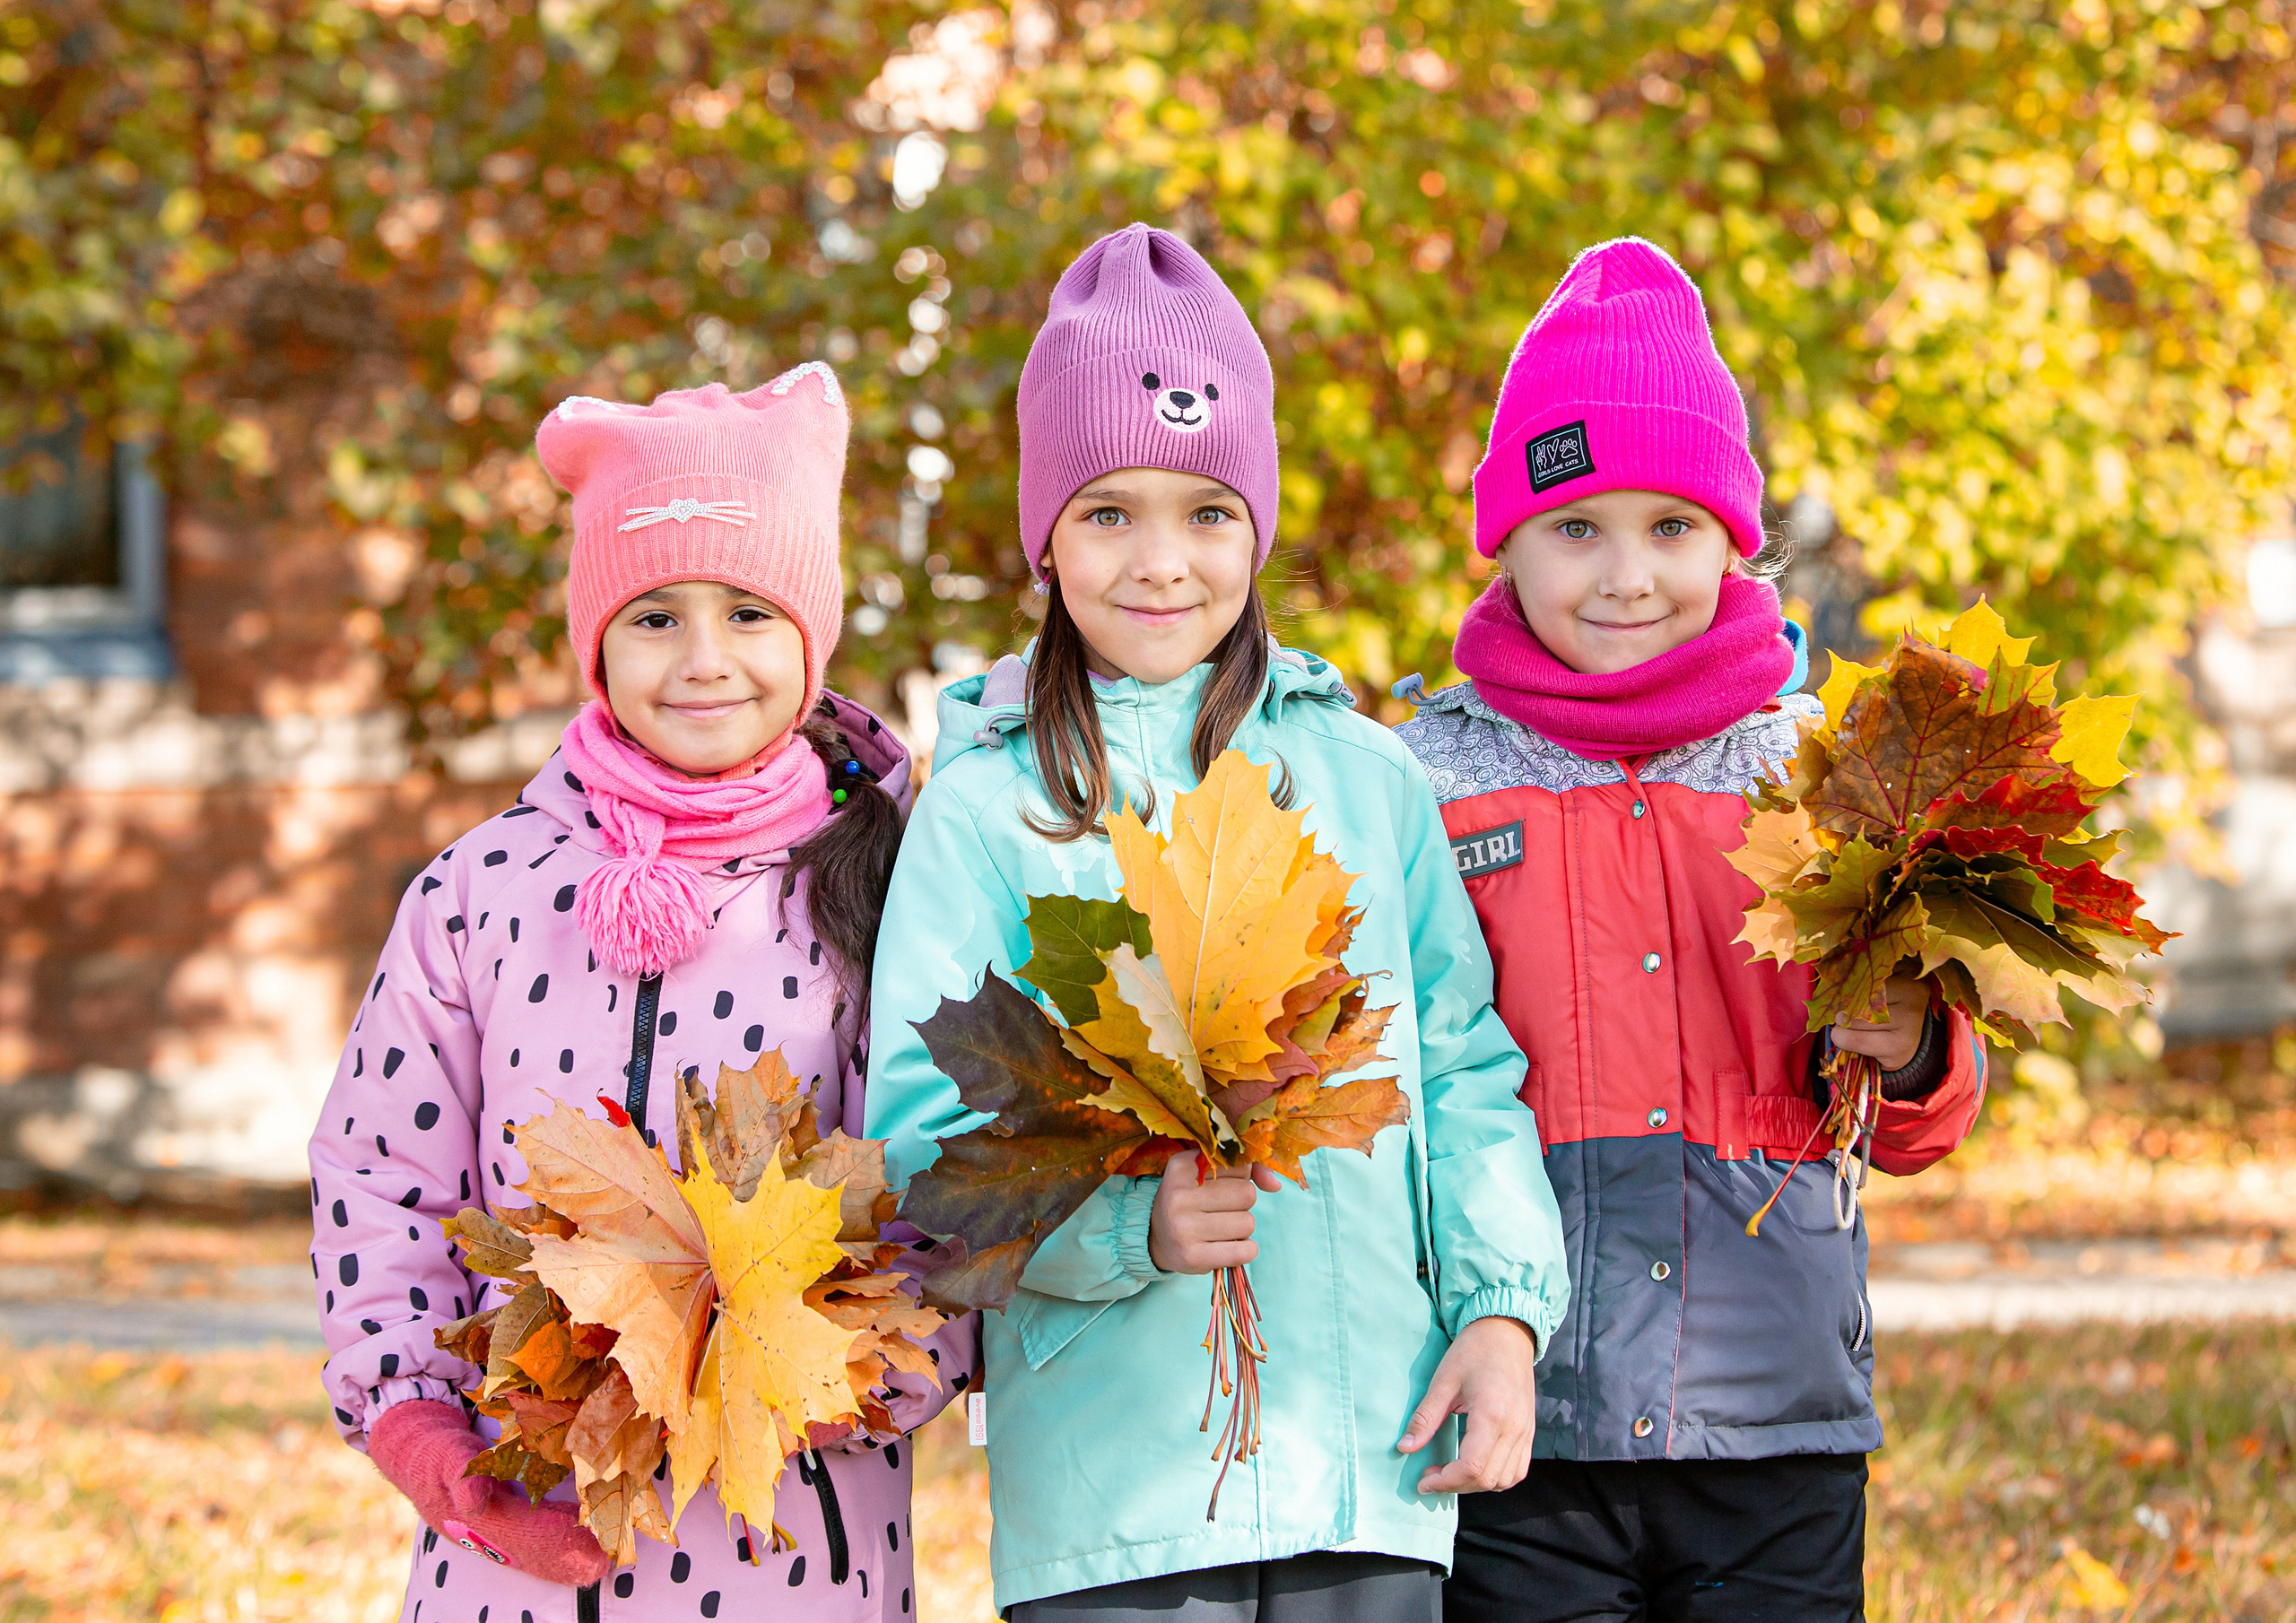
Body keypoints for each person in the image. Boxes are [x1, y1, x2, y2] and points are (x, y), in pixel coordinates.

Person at [865, 223, 1571, 1623]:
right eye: (1106, 511)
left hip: (1368, 1457)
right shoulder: (993, 809)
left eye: (1204, 511)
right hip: (1120, 1496)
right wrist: (1128, 1226)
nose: (1160, 561)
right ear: (1045, 536)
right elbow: (923, 1137)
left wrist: (1501, 1311)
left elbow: (1461, 1061)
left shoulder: (1364, 781)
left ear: (1256, 523)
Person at [309, 365, 972, 1623]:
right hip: (519, 1536)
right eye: (656, 615)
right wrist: (419, 1427)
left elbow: (952, 1165)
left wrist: (878, 1366)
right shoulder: (482, 892)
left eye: (749, 613)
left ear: (810, 631)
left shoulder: (896, 882)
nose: (704, 658)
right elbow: (379, 1171)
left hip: (795, 1536)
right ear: (596, 634)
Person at [1394, 238, 1987, 1623]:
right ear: (1509, 536)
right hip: (1522, 1404)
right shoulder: (1430, 775)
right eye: (1575, 527)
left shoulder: (1821, 776)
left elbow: (1913, 1123)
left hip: (1772, 1405)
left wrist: (1909, 1052)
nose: (1624, 576)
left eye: (1670, 528)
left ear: (1733, 539)